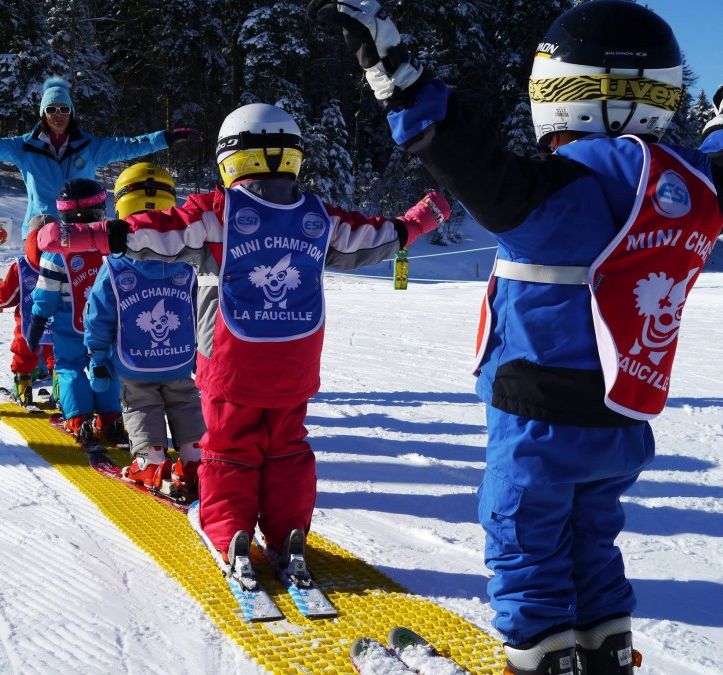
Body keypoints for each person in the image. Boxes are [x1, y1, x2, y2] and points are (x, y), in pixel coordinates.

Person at [308, 1, 723, 673]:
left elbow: (458, 149)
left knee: (524, 540)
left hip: (539, 412)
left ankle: (539, 658)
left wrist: (395, 72)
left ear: (563, 91)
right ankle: (605, 649)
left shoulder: (547, 189)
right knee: (592, 538)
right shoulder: (689, 187)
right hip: (623, 416)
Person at [36, 102, 450, 576]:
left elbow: (151, 233)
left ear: (229, 158)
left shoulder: (217, 212)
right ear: (293, 156)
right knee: (288, 446)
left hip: (232, 363)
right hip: (294, 363)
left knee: (230, 448)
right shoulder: (318, 216)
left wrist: (78, 236)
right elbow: (376, 237)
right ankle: (287, 530)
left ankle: (229, 530)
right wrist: (425, 215)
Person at [0, 76, 201, 239]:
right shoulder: (23, 147)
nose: (58, 115)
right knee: (40, 302)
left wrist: (166, 138)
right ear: (43, 114)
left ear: (71, 112)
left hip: (84, 231)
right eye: (52, 110)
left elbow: (129, 145)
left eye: (64, 109)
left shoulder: (91, 147)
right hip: (39, 231)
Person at [84, 162, 205, 492]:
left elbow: (99, 314)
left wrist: (97, 353)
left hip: (135, 360)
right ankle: (194, 457)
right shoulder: (188, 261)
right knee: (185, 401)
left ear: (121, 206)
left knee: (140, 404)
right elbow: (198, 308)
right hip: (178, 357)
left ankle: (150, 461)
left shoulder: (114, 265)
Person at [26, 178, 125, 447]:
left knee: (70, 367)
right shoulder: (112, 243)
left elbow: (46, 291)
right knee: (106, 365)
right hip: (107, 322)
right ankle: (110, 416)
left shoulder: (55, 251)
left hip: (69, 322)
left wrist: (37, 318)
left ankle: (79, 418)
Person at [0, 224, 56, 406]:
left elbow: (5, 297)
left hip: (27, 325)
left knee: (23, 355)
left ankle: (23, 393)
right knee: (58, 355)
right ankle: (62, 392)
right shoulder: (63, 260)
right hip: (57, 322)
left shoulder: (21, 266)